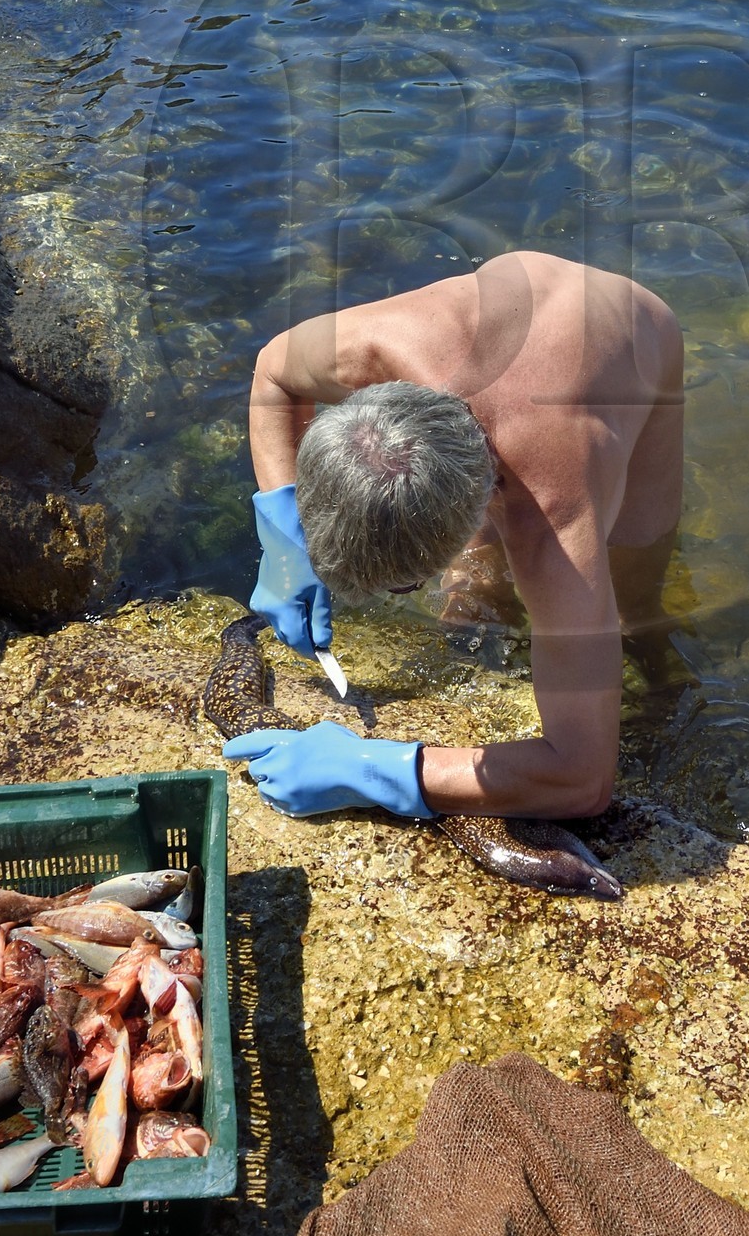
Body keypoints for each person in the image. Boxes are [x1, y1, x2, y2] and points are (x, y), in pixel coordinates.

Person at [222, 252, 684, 827]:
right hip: (511, 313)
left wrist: (376, 769)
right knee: (478, 580)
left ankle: (645, 647)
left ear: (486, 492)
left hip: (637, 334)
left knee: (634, 593)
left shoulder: (555, 521)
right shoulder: (373, 349)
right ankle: (478, 574)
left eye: (407, 582)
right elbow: (272, 372)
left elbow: (584, 779)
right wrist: (285, 541)